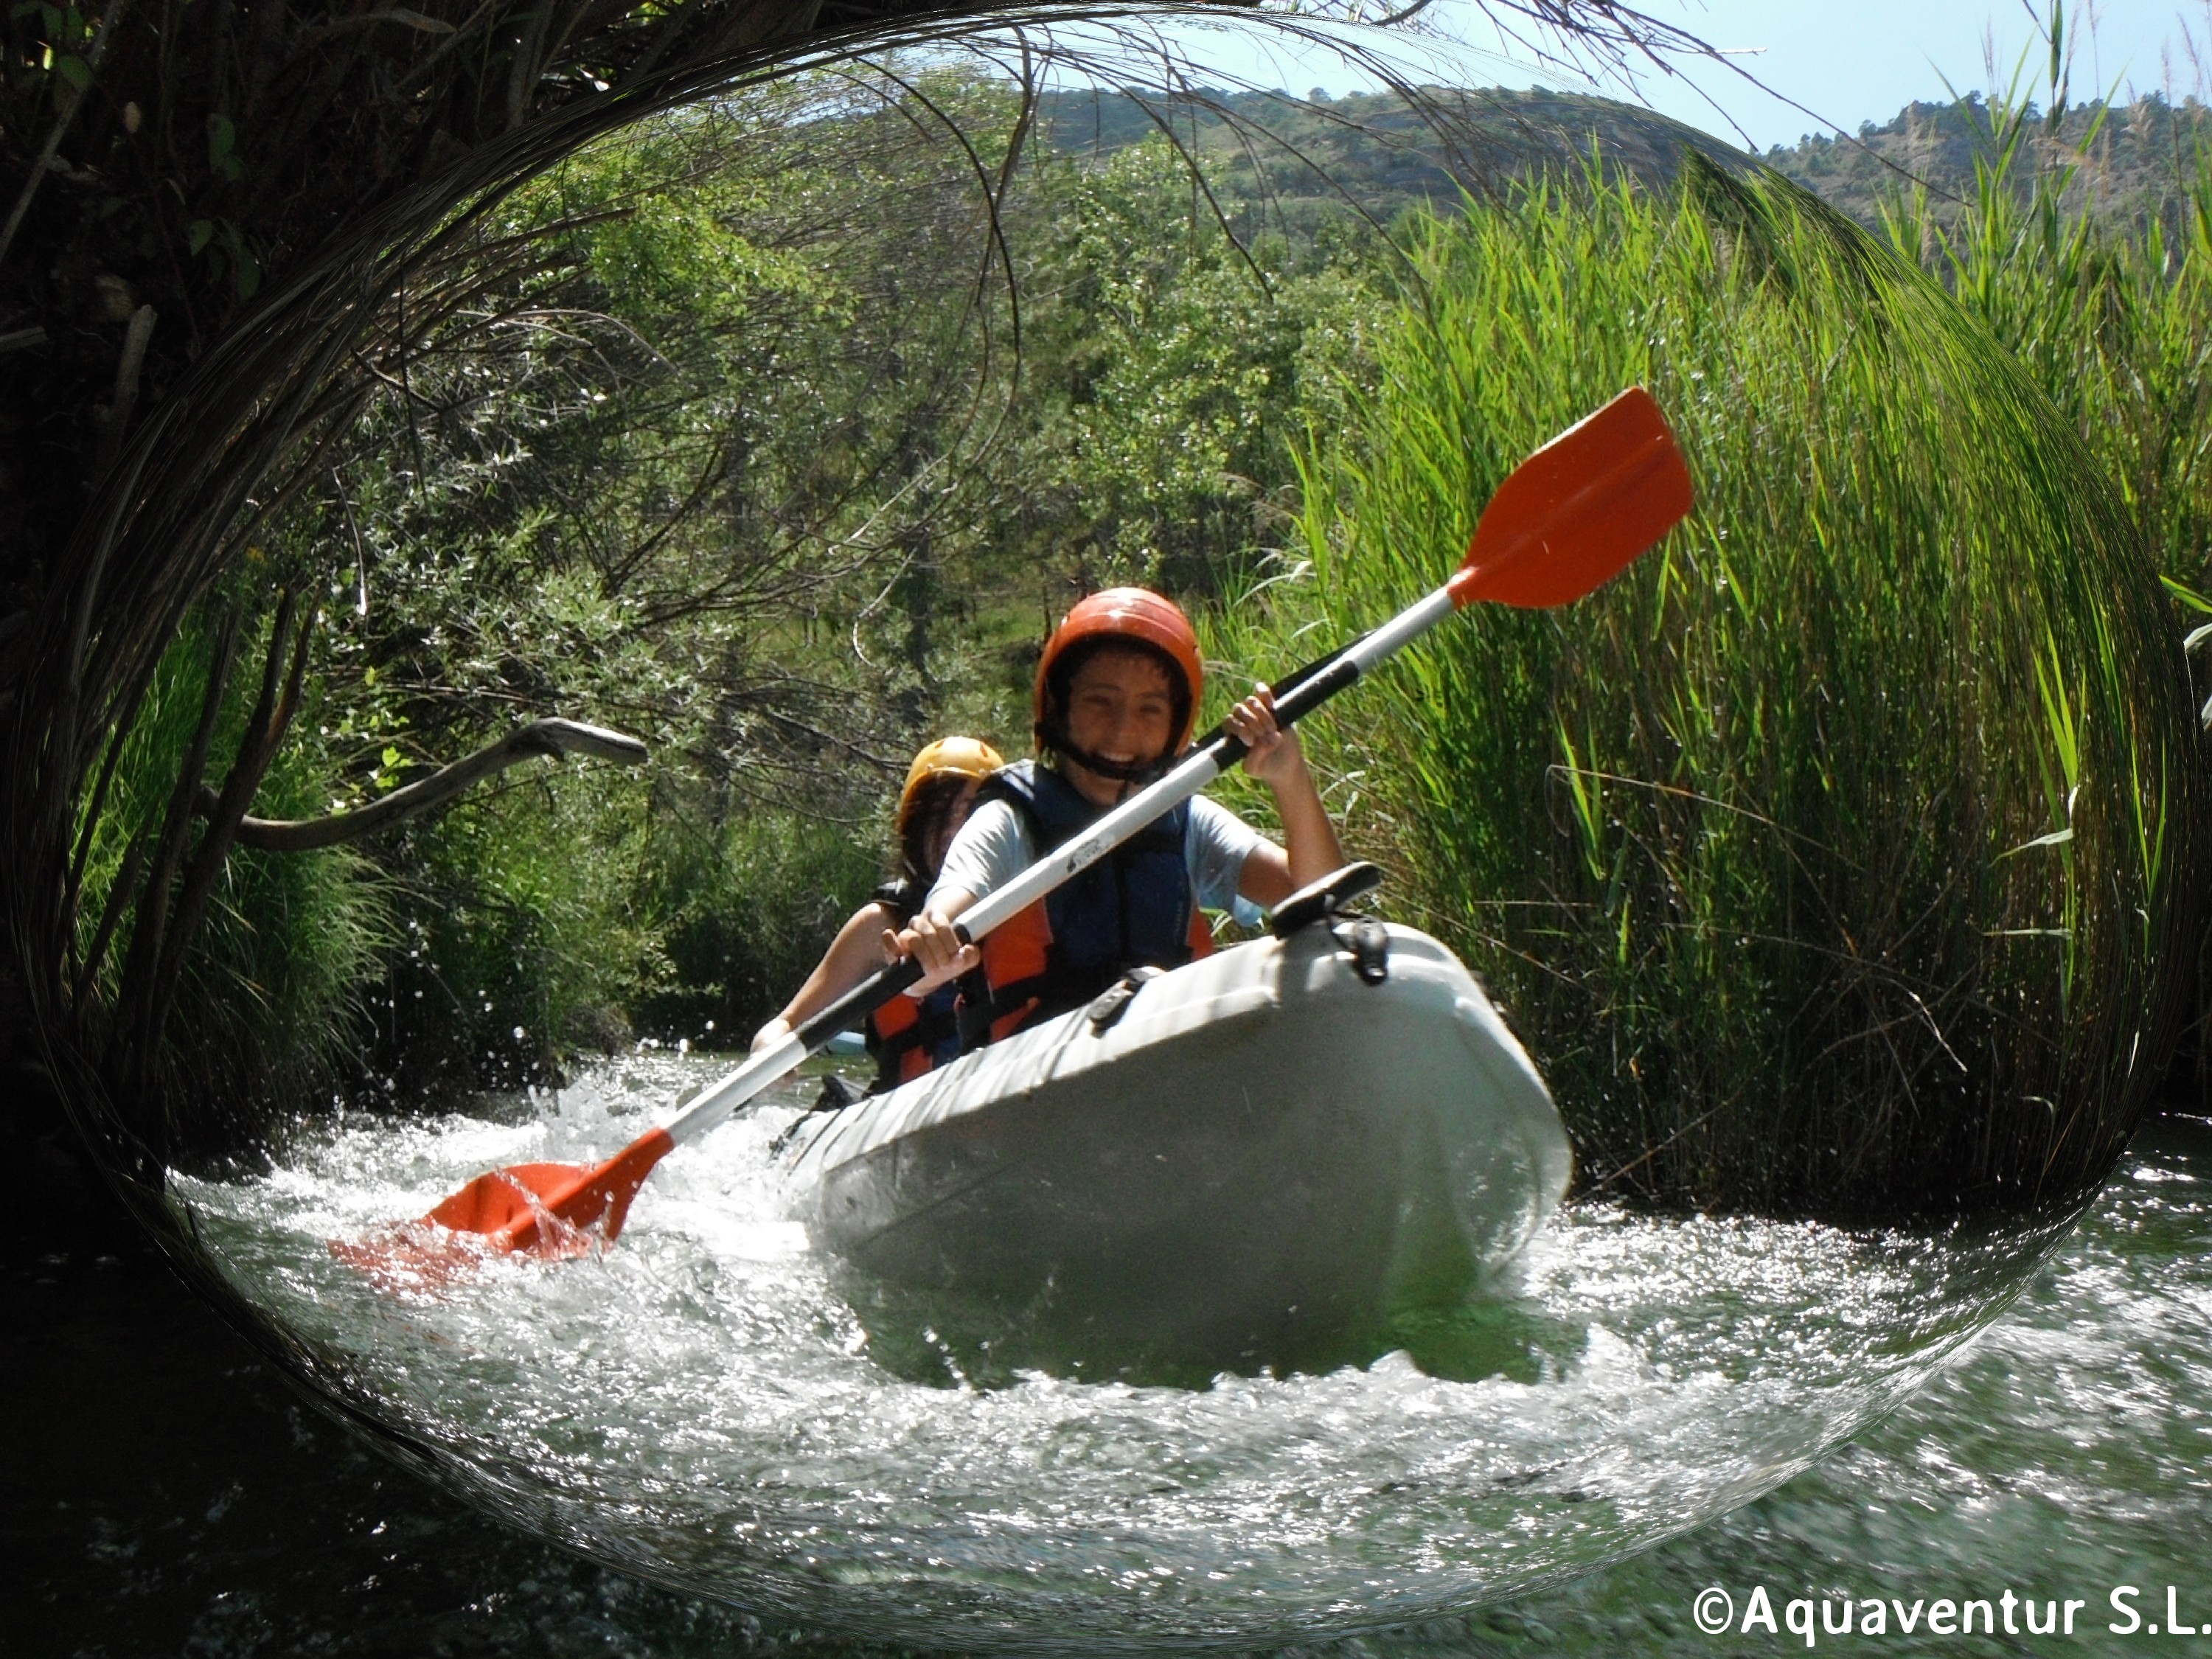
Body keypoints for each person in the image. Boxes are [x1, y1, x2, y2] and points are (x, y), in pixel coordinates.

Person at [896, 587, 1343, 1046]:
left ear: (1175, 725)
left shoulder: (1188, 821)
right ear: (1060, 709)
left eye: (1150, 708)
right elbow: (948, 907)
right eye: (1100, 702)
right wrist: (931, 944)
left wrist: (1290, 777)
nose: (1123, 730)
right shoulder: (1008, 822)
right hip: (1040, 1070)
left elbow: (1323, 900)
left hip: (1171, 1059)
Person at [751, 736, 1004, 1090]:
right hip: (902, 1104)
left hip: (999, 1089)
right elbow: (786, 1024)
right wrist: (768, 1047)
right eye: (938, 813)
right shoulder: (880, 925)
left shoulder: (1026, 911)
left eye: (969, 814)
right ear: (914, 828)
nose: (953, 831)